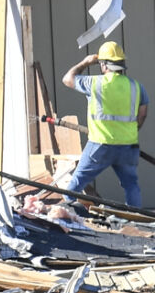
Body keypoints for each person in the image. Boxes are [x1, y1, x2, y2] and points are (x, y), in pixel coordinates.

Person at [61, 40, 147, 209]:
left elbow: (67, 79)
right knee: (131, 185)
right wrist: (128, 132)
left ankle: (65, 210)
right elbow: (142, 115)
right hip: (128, 146)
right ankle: (137, 217)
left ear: (103, 64)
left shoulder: (94, 83)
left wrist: (85, 62)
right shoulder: (136, 87)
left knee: (78, 181)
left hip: (100, 145)